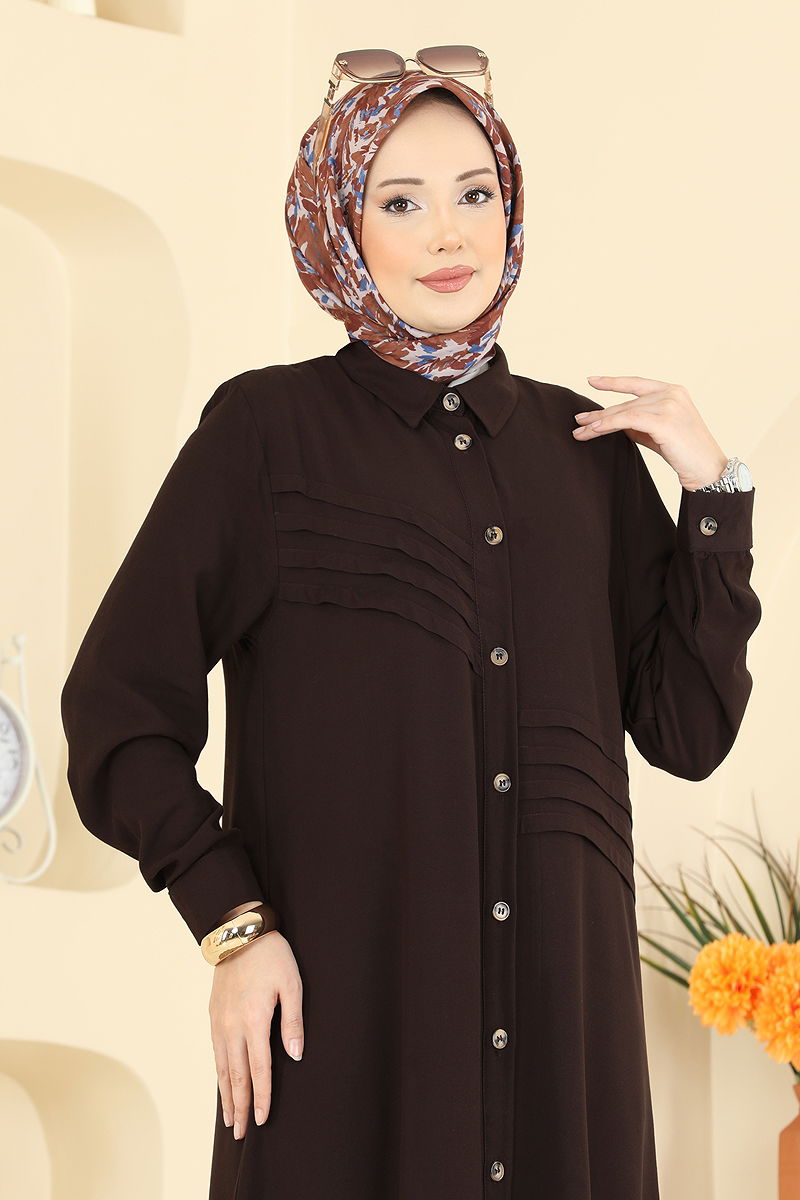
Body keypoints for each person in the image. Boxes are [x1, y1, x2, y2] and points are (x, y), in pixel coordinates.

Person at [60, 53, 761, 1200]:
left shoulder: (584, 457)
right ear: (340, 226)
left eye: (475, 193)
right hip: (344, 1053)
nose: (448, 234)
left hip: (562, 1070)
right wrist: (230, 921)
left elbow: (686, 732)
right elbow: (116, 711)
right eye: (399, 201)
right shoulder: (265, 435)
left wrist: (712, 497)